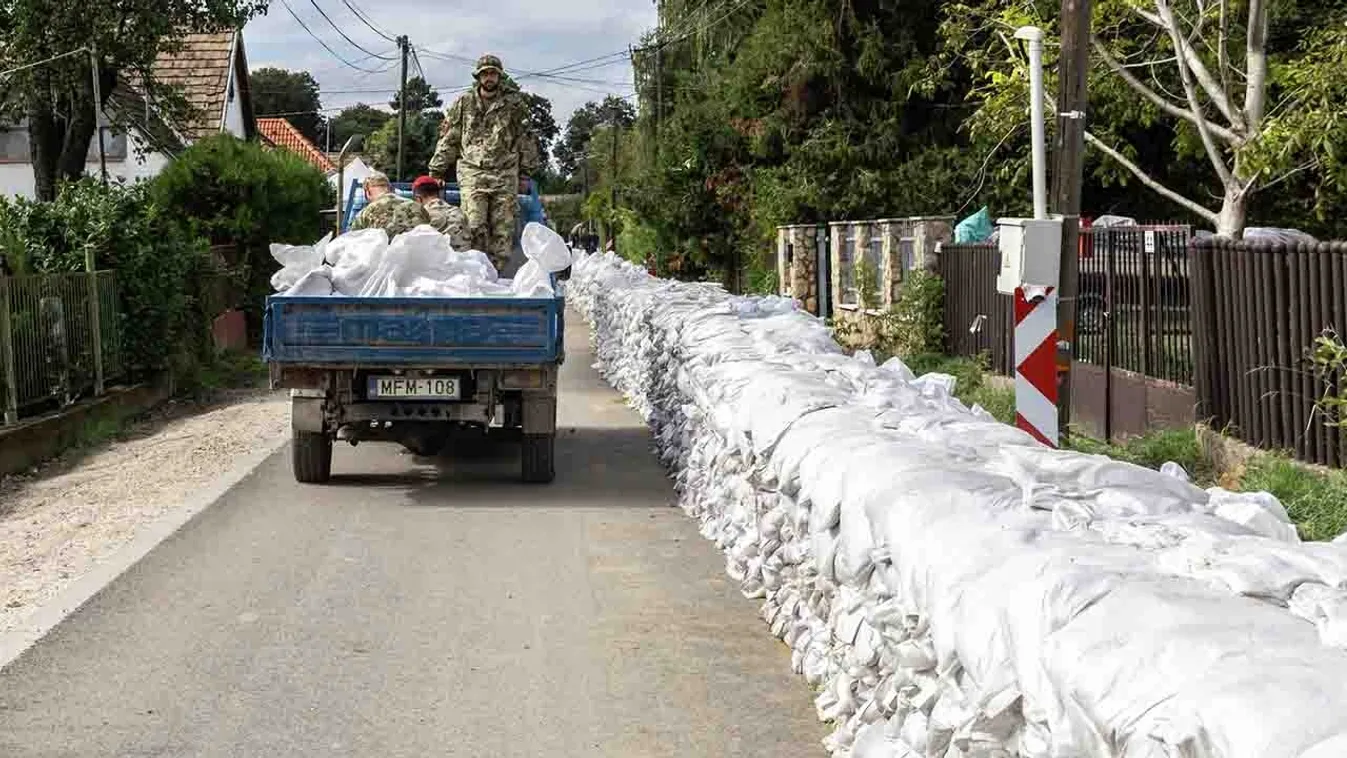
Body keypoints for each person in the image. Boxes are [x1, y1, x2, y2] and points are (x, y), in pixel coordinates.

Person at [428, 53, 540, 272]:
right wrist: (437, 171)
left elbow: (525, 137)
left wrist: (526, 173)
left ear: (499, 76)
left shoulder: (514, 104)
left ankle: (495, 275)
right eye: (485, 74)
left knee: (503, 229)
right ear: (478, 77)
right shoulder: (464, 102)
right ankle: (476, 272)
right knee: (474, 224)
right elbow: (451, 137)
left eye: (493, 74)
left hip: (504, 171)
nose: (489, 78)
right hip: (473, 170)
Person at [349, 171, 429, 237]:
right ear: (390, 188)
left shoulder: (363, 215)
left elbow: (355, 243)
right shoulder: (416, 206)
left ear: (368, 193)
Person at [411, 175, 470, 250]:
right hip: (465, 259)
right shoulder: (459, 212)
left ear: (418, 199)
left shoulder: (421, 216)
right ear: (438, 194)